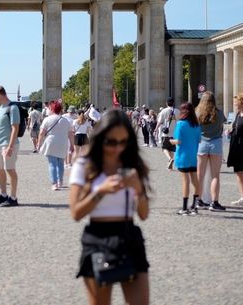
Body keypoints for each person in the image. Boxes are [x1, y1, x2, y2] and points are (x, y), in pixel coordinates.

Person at [68, 109, 150, 305]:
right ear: (100, 138)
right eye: (112, 142)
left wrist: (138, 189)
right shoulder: (84, 164)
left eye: (124, 142)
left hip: (129, 236)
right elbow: (76, 213)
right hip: (97, 239)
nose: (118, 148)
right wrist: (101, 192)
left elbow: (144, 214)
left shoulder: (133, 164)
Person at [194, 91, 227, 211]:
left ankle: (198, 200)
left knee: (200, 175)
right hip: (216, 144)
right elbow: (222, 127)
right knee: (215, 176)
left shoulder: (197, 113)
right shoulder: (219, 113)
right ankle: (214, 202)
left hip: (202, 144)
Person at [169, 103, 202, 215]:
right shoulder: (196, 125)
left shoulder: (180, 124)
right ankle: (195, 205)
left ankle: (184, 208)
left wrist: (170, 141)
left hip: (183, 155)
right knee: (195, 180)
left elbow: (178, 141)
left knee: (185, 181)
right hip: (193, 155)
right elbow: (199, 140)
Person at [0, 86, 20, 207]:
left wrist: (10, 146)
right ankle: (3, 195)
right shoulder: (0, 108)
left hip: (8, 144)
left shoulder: (12, 108)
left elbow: (15, 128)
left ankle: (13, 198)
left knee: (10, 169)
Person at [37, 100, 74, 190]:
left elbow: (42, 133)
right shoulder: (65, 120)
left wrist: (39, 143)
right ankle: (60, 181)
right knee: (61, 163)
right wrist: (72, 145)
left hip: (51, 142)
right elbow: (70, 134)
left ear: (52, 109)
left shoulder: (47, 119)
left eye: (49, 109)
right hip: (63, 142)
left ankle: (54, 183)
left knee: (52, 164)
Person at [154, 98, 179, 170]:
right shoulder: (177, 111)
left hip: (165, 133)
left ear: (166, 103)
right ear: (173, 103)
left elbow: (159, 122)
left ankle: (170, 159)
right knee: (171, 149)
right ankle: (170, 166)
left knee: (164, 148)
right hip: (174, 134)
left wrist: (155, 129)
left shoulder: (163, 111)